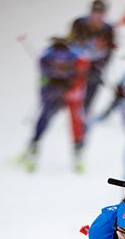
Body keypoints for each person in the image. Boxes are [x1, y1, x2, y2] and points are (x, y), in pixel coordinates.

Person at [22, 35, 86, 172]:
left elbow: (80, 71)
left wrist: (67, 81)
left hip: (62, 91)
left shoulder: (51, 53)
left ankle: (35, 145)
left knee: (55, 118)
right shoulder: (59, 54)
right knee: (56, 118)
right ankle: (34, 146)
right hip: (57, 91)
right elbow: (45, 72)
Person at [68, 0, 116, 116]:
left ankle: (86, 110)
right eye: (95, 15)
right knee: (73, 89)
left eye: (100, 15)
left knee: (93, 81)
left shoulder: (108, 29)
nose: (97, 19)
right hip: (76, 62)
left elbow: (109, 52)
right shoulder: (79, 23)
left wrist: (100, 67)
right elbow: (71, 43)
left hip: (95, 64)